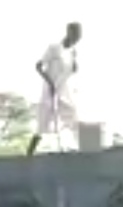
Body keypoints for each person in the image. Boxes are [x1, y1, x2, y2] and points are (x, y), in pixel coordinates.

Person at [27, 22, 82, 157]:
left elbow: (72, 71)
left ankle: (84, 151)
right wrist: (50, 82)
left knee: (73, 117)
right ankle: (29, 154)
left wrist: (75, 61)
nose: (77, 38)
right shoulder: (54, 48)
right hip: (50, 89)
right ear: (69, 32)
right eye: (76, 34)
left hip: (64, 90)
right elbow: (38, 66)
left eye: (79, 36)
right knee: (43, 122)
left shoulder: (71, 52)